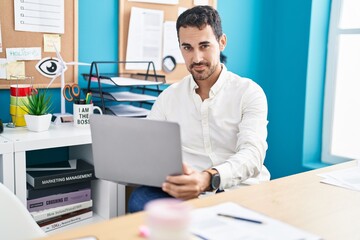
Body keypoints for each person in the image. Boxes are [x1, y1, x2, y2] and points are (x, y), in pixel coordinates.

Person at [128, 5, 270, 213]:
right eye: (187, 48)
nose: (196, 58)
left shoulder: (249, 92)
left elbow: (252, 154)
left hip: (238, 189)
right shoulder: (169, 97)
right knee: (139, 199)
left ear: (222, 42)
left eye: (204, 46)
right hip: (187, 192)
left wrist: (207, 179)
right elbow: (148, 148)